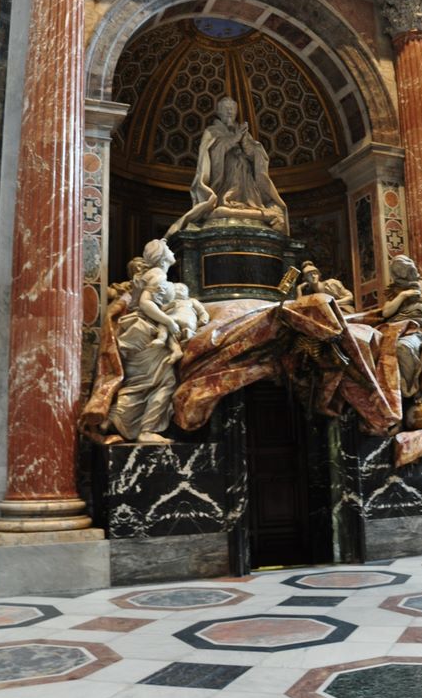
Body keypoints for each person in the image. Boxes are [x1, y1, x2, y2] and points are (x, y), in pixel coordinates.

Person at [165, 95, 288, 236]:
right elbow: (210, 154)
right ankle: (227, 202)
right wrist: (233, 139)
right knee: (220, 209)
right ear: (219, 112)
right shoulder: (212, 131)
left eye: (232, 109)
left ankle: (248, 206)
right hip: (224, 178)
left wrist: (245, 143)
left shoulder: (241, 131)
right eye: (225, 109)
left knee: (249, 194)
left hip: (245, 179)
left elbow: (256, 156)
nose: (229, 112)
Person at [106, 238, 183, 444]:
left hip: (137, 330)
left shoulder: (150, 274)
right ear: (161, 255)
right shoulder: (157, 275)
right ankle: (147, 430)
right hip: (146, 331)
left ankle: (116, 417)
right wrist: (168, 321)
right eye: (168, 249)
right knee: (165, 381)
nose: (172, 251)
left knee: (139, 383)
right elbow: (145, 303)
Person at [378, 255, 422, 396]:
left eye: (404, 268)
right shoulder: (394, 290)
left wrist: (421, 307)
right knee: (375, 347)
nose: (403, 273)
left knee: (403, 347)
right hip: (394, 327)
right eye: (398, 270)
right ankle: (384, 391)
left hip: (416, 329)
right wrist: (403, 296)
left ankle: (409, 391)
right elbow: (386, 312)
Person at [151, 282, 210, 363]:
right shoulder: (167, 302)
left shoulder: (191, 301)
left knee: (165, 322)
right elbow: (159, 312)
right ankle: (175, 350)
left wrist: (204, 319)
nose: (179, 290)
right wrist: (168, 306)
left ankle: (161, 339)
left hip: (188, 320)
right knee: (167, 330)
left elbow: (202, 311)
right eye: (176, 289)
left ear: (188, 293)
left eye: (182, 289)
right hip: (173, 323)